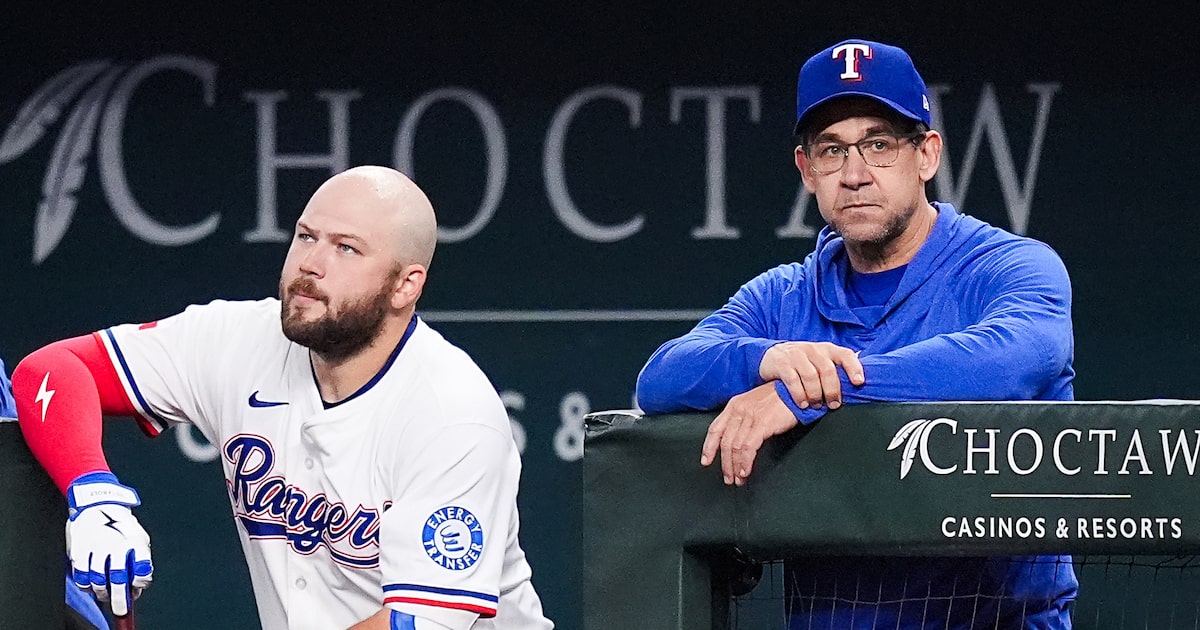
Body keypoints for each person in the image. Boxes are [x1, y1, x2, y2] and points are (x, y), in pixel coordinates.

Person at [635, 39, 1077, 628]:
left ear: (927, 155)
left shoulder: (1008, 267)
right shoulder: (786, 296)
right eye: (832, 150)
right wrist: (767, 359)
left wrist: (810, 393)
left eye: (879, 144)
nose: (855, 175)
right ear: (806, 169)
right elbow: (660, 378)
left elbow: (1015, 358)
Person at [12, 166, 553, 630]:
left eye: (346, 248)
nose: (310, 263)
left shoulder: (453, 412)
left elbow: (412, 625)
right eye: (306, 236)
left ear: (404, 286)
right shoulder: (238, 339)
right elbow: (50, 370)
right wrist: (94, 494)